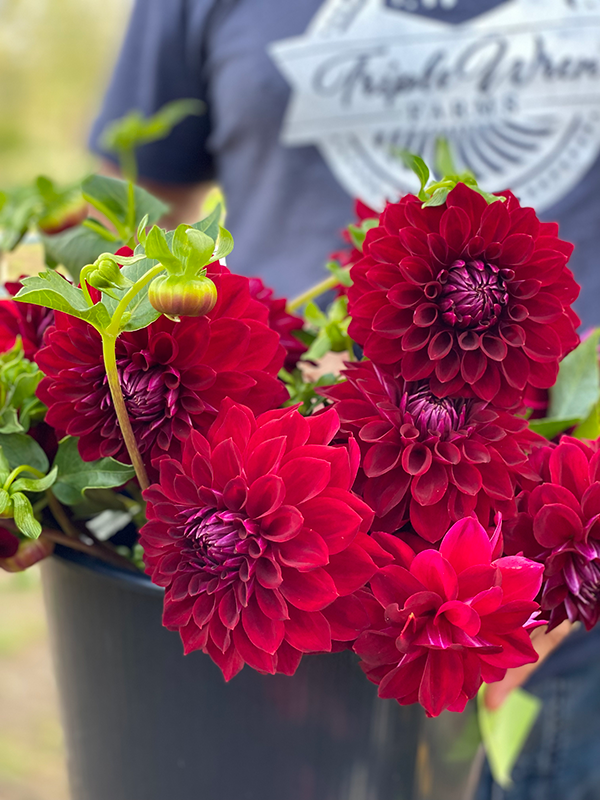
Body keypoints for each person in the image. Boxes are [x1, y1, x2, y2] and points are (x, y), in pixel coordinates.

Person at [90, 1, 600, 797]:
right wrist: (51, 443)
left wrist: (537, 574)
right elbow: (120, 218)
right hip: (259, 456)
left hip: (551, 552)